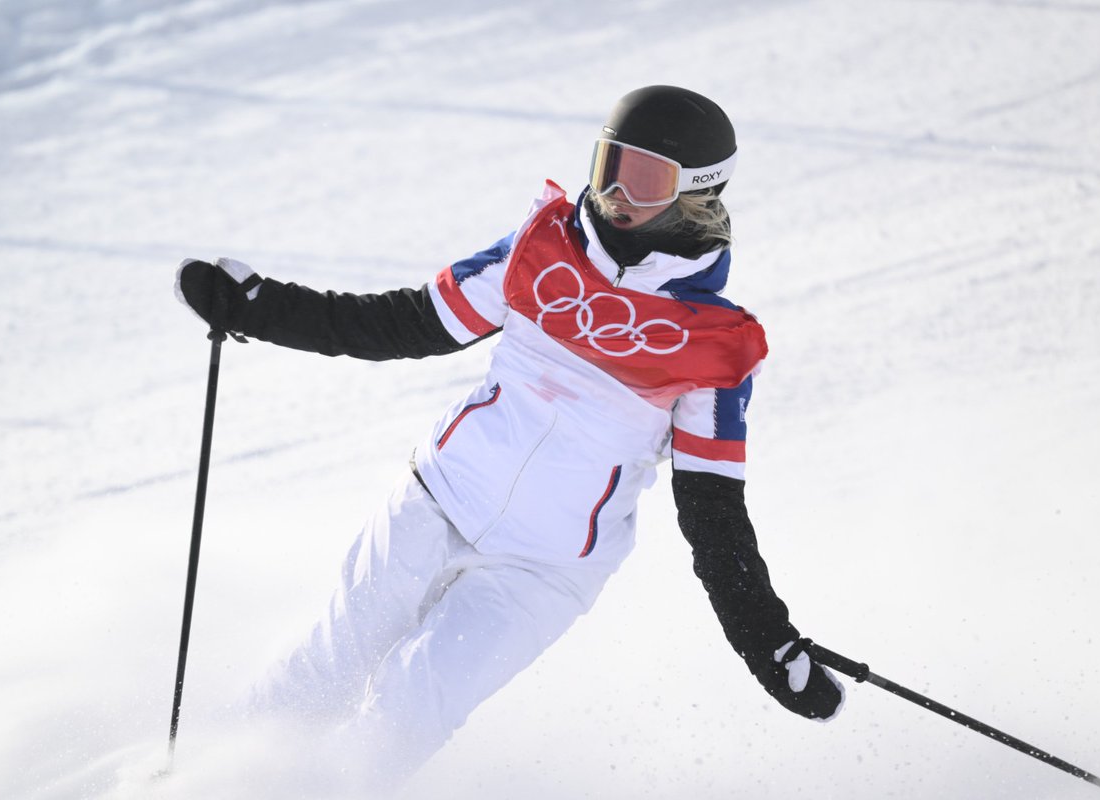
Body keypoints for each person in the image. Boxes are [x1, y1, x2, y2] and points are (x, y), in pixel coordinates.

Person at [175, 85, 844, 787]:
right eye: (606, 164)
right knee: (329, 663)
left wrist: (766, 641)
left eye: (642, 178)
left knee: (407, 711)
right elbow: (403, 323)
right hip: (436, 499)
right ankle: (199, 782)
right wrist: (261, 306)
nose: (614, 192)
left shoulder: (713, 344)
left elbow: (713, 515)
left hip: (543, 571)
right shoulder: (543, 247)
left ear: (697, 197)